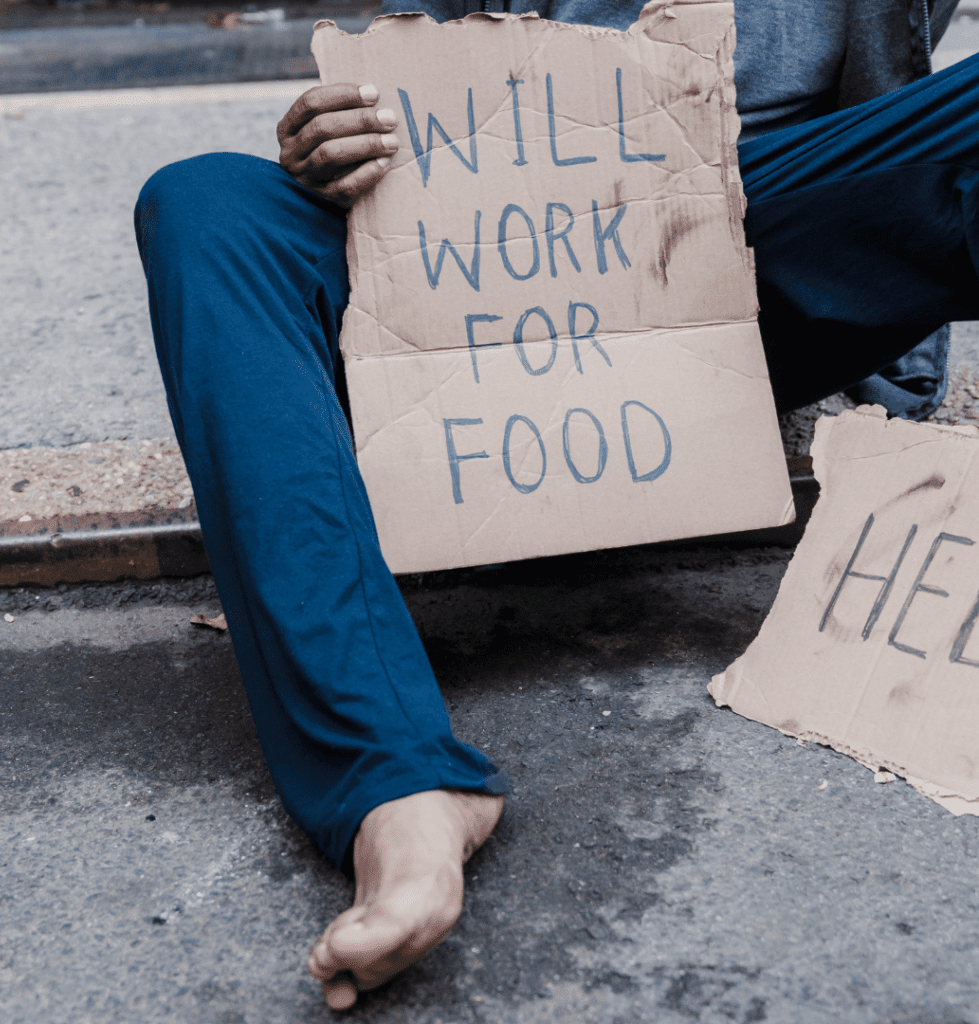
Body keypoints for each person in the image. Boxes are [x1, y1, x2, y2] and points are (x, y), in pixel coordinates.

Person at [134, 0, 974, 1009]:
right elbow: (411, 102)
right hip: (496, 268)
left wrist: (891, 406)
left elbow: (896, 108)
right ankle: (395, 783)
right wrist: (332, 138)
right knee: (201, 204)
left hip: (753, 246)